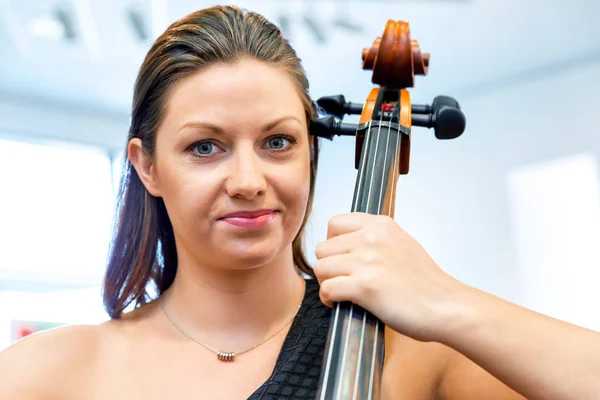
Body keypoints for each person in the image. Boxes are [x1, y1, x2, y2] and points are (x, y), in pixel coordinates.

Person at [1, 5, 599, 399]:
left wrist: (449, 301)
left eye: (278, 142)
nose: (247, 179)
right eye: (205, 147)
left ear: (311, 152)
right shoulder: (52, 374)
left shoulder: (408, 358)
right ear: (147, 166)